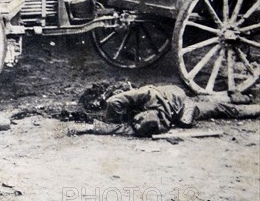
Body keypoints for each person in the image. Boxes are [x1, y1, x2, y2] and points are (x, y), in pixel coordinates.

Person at [70, 84, 260, 137]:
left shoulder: (149, 105)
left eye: (135, 121)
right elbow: (115, 106)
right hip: (179, 101)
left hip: (181, 104)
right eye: (137, 121)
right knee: (217, 107)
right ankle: (238, 99)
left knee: (218, 108)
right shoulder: (147, 101)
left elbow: (121, 123)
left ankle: (245, 104)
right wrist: (108, 122)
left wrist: (100, 125)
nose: (133, 122)